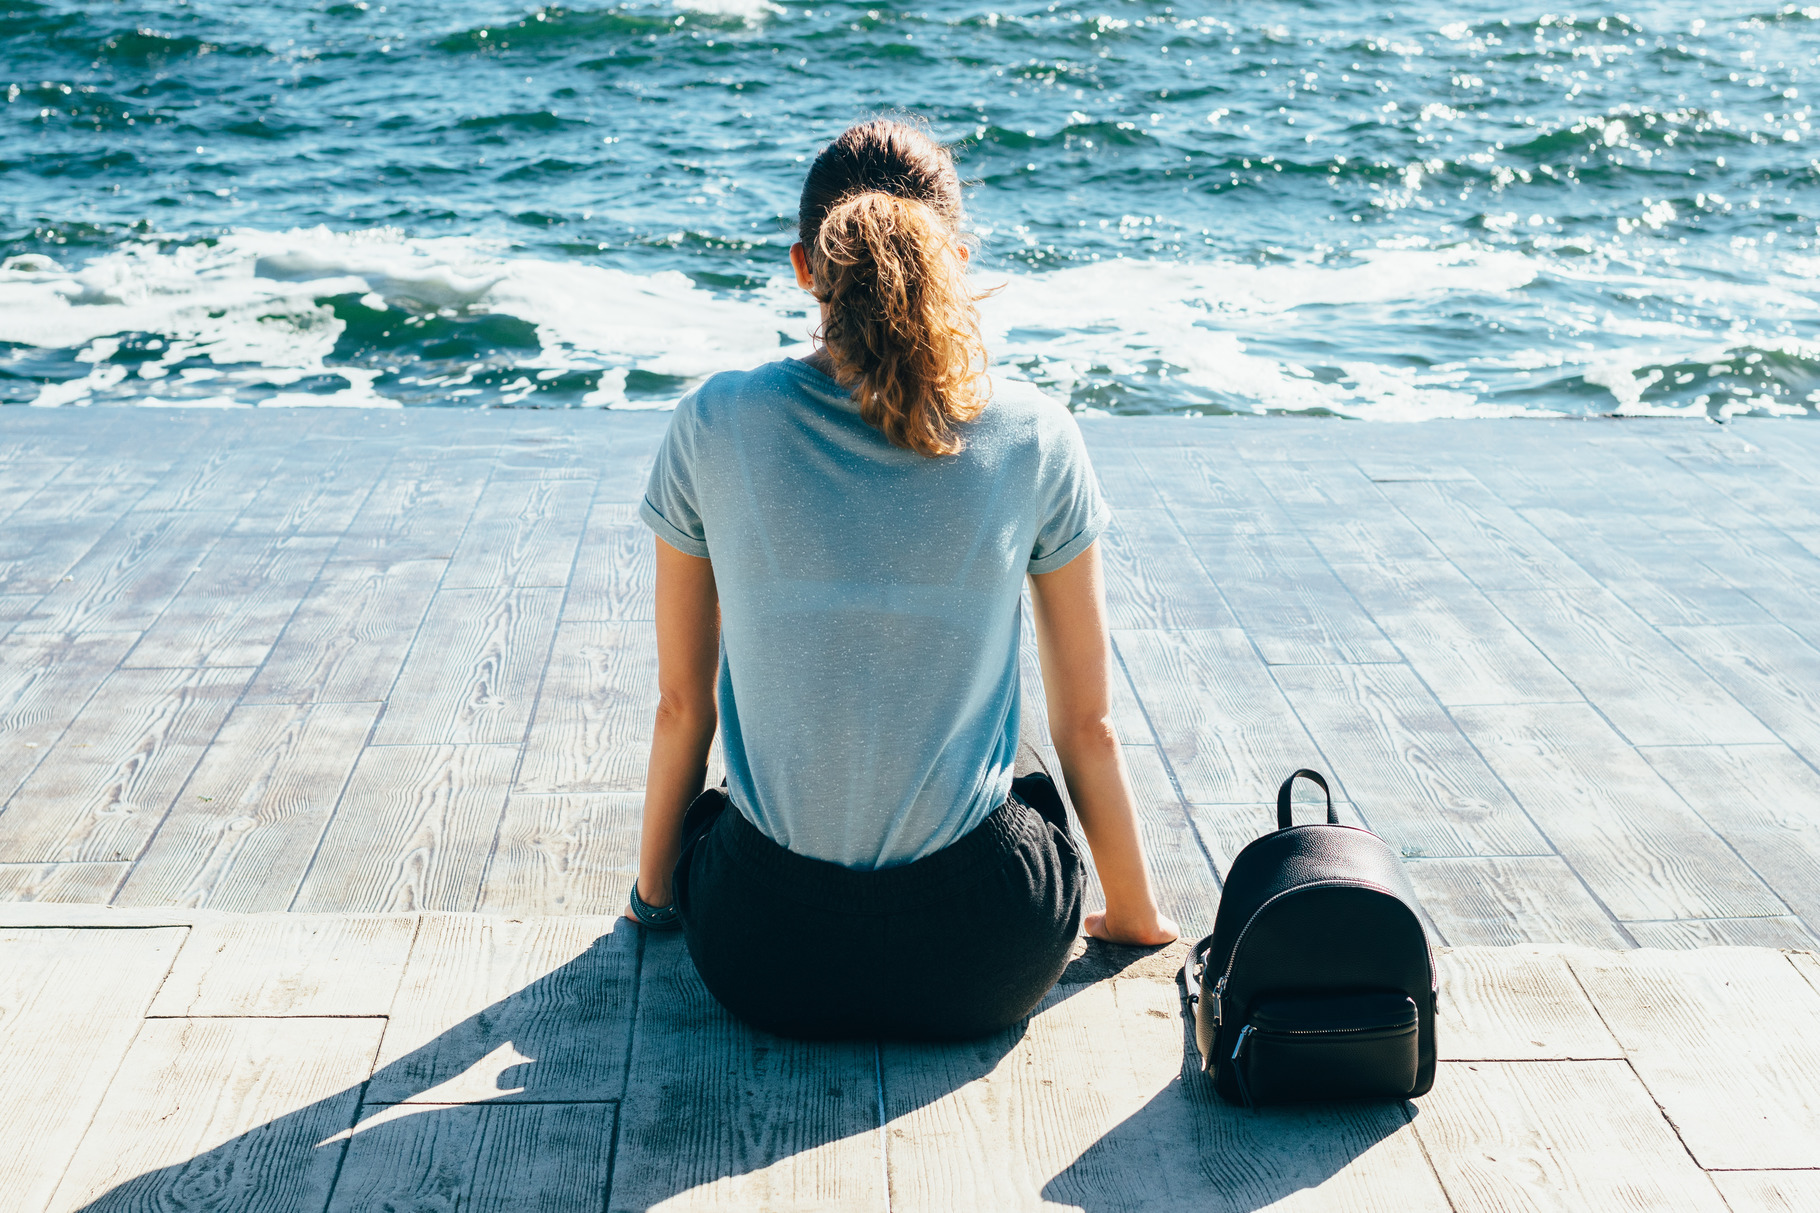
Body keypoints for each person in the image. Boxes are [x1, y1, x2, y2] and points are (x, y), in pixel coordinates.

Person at [626, 117, 1177, 1041]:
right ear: (953, 259)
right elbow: (1087, 724)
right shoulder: (1034, 432)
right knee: (1021, 771)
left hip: (761, 957)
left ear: (806, 267)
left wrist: (654, 900)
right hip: (980, 960)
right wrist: (1132, 915)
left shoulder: (714, 422)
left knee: (738, 808)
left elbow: (685, 705)